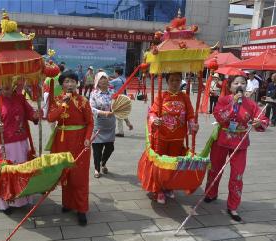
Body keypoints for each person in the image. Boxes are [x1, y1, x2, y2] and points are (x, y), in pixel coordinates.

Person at [204, 75, 269, 221]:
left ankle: (233, 206)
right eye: (236, 83)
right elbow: (219, 116)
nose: (240, 85)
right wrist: (232, 104)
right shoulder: (223, 100)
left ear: (246, 86)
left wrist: (259, 122)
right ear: (230, 86)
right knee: (214, 168)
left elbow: (263, 119)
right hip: (221, 140)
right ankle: (211, 193)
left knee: (237, 175)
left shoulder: (251, 104)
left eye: (243, 83)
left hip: (240, 143)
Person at [138, 72, 198, 204]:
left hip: (177, 138)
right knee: (160, 164)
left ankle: (169, 186)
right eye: (172, 80)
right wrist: (154, 119)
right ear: (167, 82)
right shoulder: (161, 96)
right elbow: (152, 112)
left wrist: (193, 124)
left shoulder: (185, 97)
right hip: (162, 137)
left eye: (177, 80)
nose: (175, 83)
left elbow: (190, 115)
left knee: (173, 164)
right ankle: (158, 189)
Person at [46, 70, 94, 226]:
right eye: (66, 81)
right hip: (61, 141)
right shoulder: (57, 100)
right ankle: (67, 204)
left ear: (77, 83)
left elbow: (90, 123)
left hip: (80, 142)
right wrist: (63, 104)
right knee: (65, 174)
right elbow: (51, 118)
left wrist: (87, 139)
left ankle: (81, 209)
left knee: (79, 177)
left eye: (73, 81)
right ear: (62, 84)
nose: (70, 84)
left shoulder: (83, 101)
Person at [0, 78, 40, 214]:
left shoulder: (20, 98)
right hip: (5, 143)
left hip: (21, 142)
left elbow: (30, 112)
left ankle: (21, 199)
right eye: (3, 87)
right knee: (7, 171)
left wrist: (36, 115)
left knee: (22, 170)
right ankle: (4, 202)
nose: (5, 89)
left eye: (8, 86)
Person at [89, 72, 117, 178]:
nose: (104, 80)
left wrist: (127, 121)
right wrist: (103, 113)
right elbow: (91, 108)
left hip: (110, 125)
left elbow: (118, 106)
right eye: (101, 79)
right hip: (98, 124)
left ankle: (103, 163)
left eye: (105, 78)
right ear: (97, 81)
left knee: (110, 148)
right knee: (97, 148)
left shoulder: (113, 92)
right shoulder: (94, 94)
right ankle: (97, 169)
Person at [109, 68, 134, 137]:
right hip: (125, 98)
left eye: (114, 72)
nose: (114, 74)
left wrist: (107, 78)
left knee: (119, 114)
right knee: (122, 112)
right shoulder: (124, 79)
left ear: (116, 73)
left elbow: (107, 84)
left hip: (119, 99)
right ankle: (129, 124)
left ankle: (121, 132)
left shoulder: (116, 80)